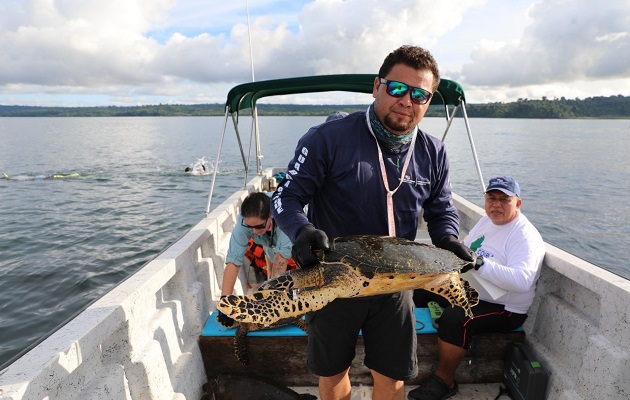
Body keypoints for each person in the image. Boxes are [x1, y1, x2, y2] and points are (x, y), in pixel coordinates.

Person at [271, 45, 475, 400]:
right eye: (398, 88)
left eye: (420, 95)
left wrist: (449, 240)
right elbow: (285, 197)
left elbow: (441, 212)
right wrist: (301, 230)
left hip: (397, 283)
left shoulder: (433, 152)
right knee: (332, 374)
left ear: (428, 102)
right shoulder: (328, 139)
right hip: (334, 280)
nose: (406, 101)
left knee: (393, 377)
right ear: (377, 86)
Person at [408, 176, 545, 400]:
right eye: (492, 198)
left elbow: (522, 281)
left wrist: (479, 263)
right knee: (419, 288)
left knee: (456, 317)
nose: (496, 204)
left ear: (518, 203)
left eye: (504, 199)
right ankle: (410, 350)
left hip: (505, 307)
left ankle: (445, 381)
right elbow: (466, 248)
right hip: (472, 291)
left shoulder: (524, 236)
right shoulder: (486, 222)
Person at [216, 191, 296, 327]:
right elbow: (233, 261)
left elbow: (280, 260)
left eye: (258, 226)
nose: (254, 231)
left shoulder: (286, 218)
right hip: (269, 242)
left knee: (295, 265)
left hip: (296, 234)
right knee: (270, 254)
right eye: (250, 227)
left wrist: (271, 302)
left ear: (270, 215)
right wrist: (225, 301)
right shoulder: (244, 224)